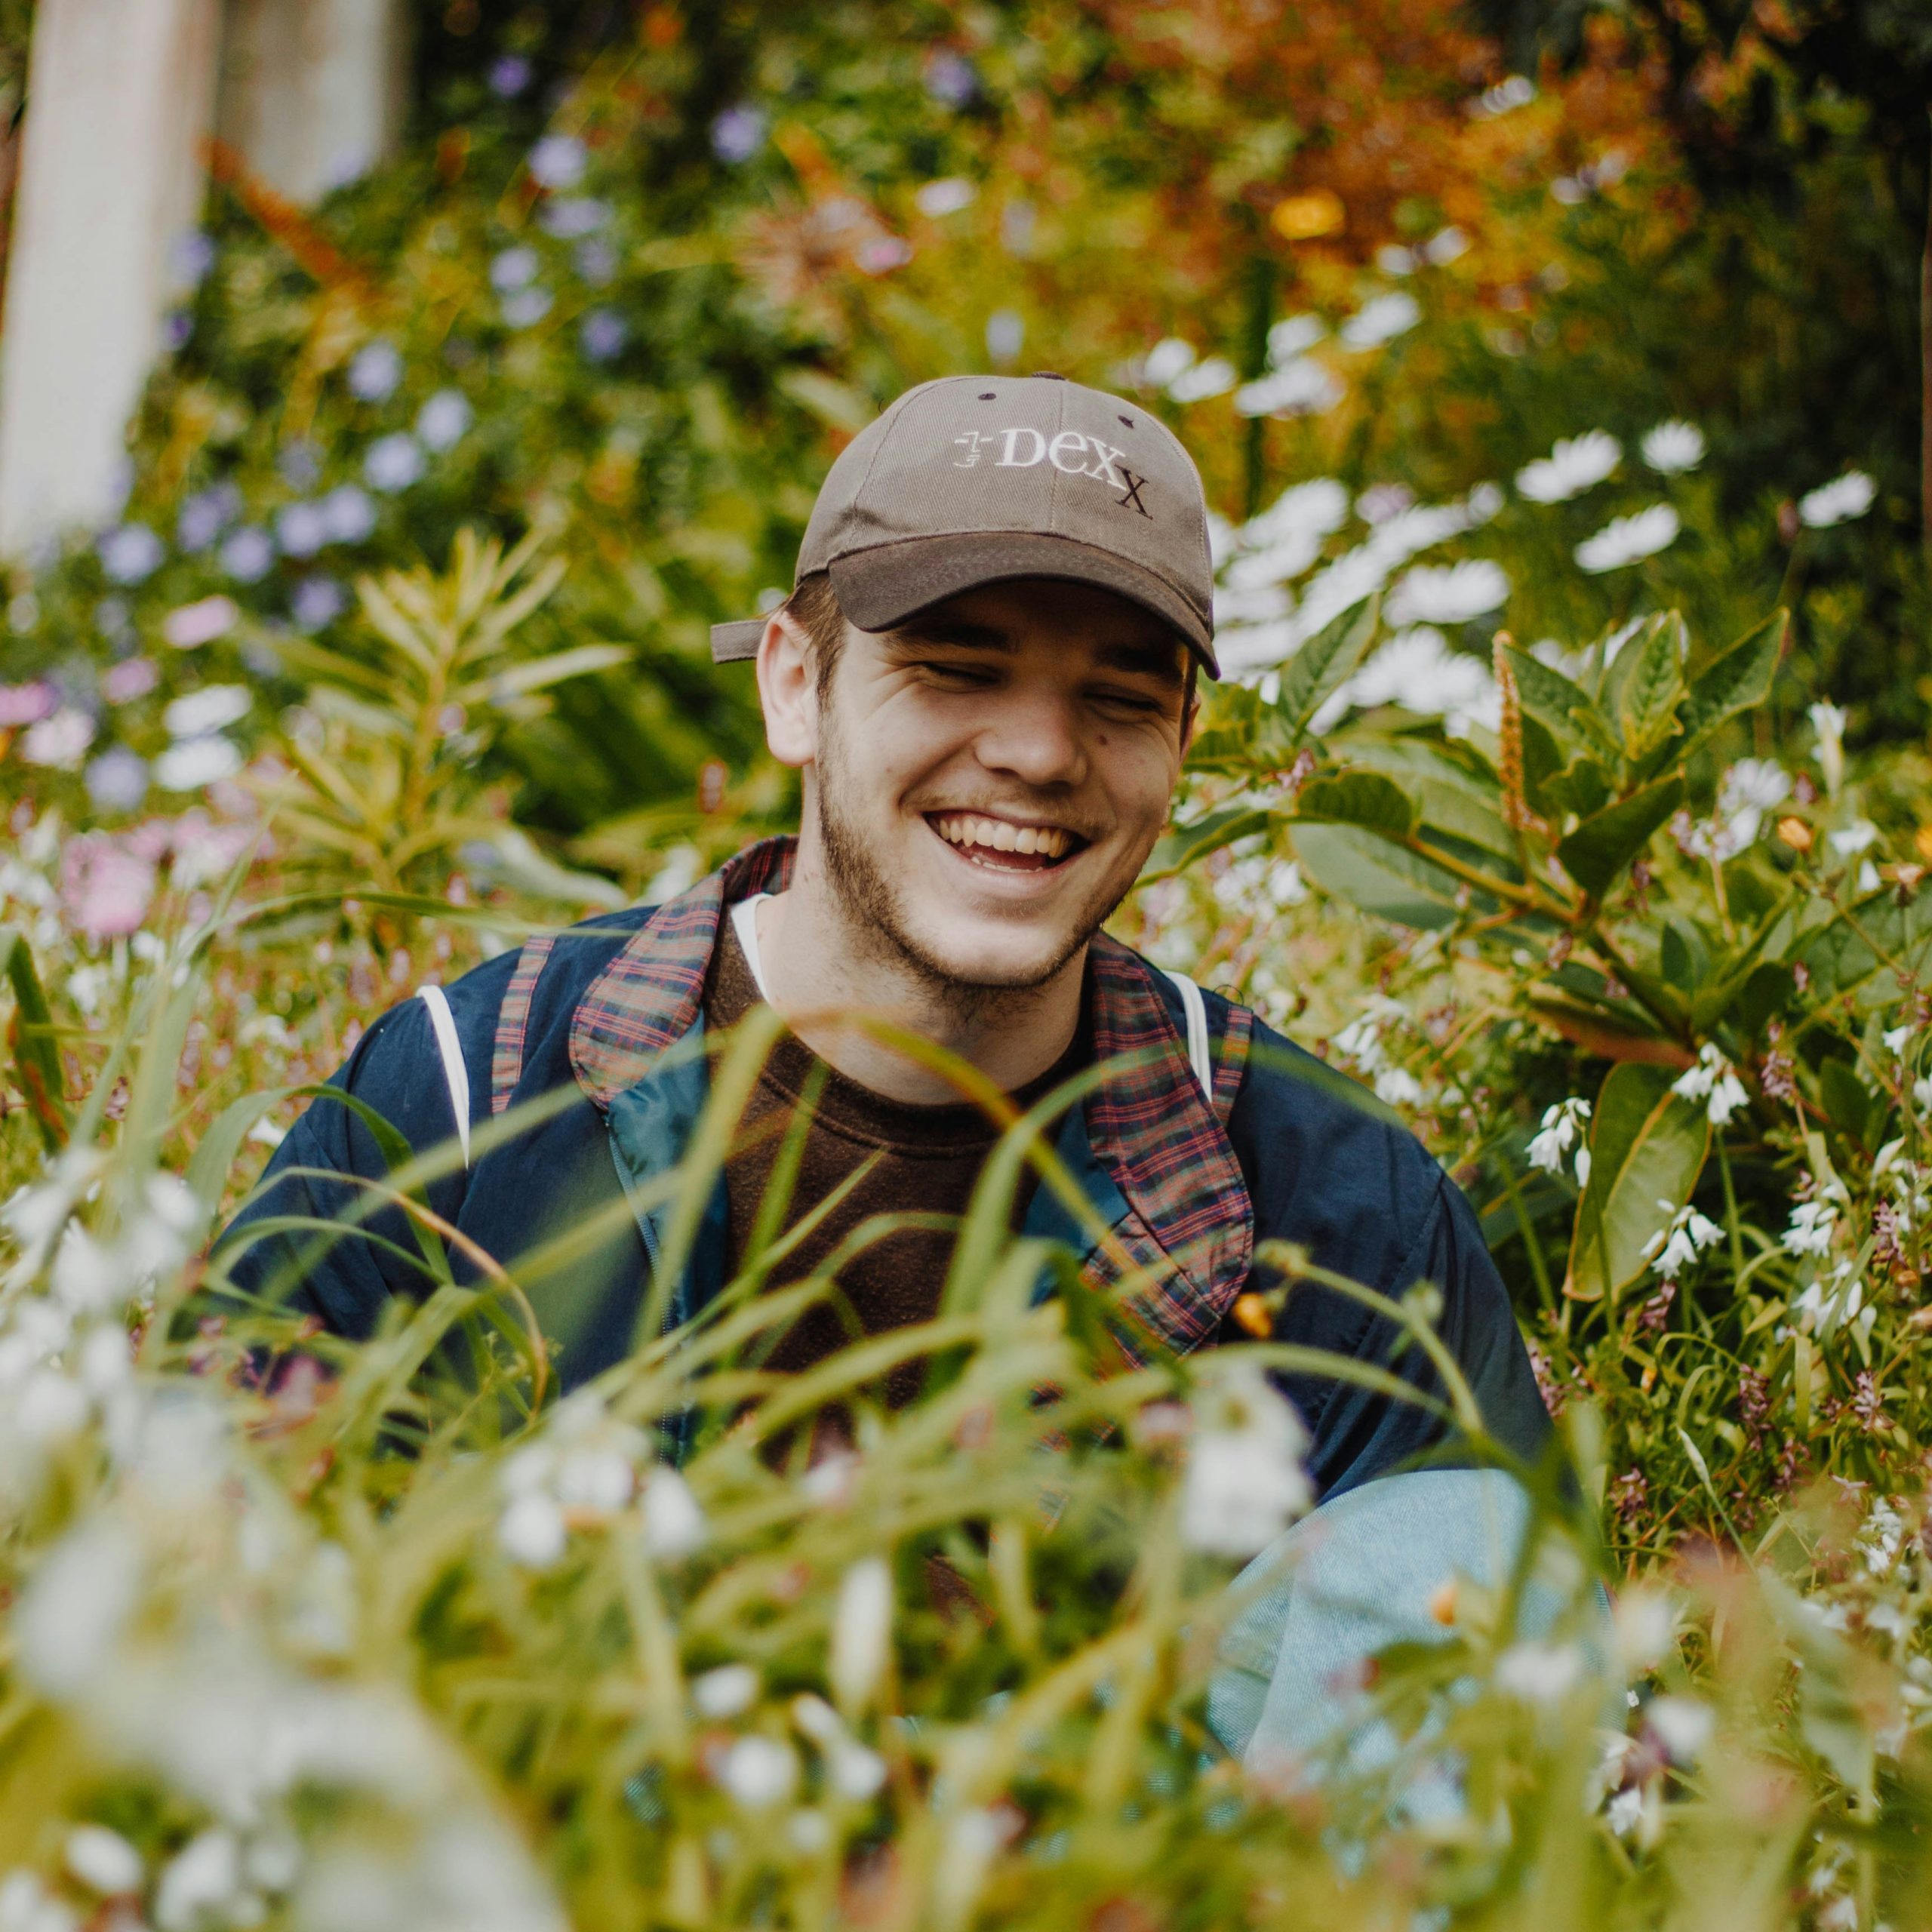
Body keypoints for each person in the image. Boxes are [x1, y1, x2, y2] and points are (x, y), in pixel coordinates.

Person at [218, 372, 1559, 1765]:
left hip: (1130, 1896)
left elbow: (1502, 1677)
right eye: (959, 667)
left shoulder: (1323, 1190)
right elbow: (199, 1572)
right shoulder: (472, 1094)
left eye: (1118, 696)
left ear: (1181, 751)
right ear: (796, 684)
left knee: (1470, 1542)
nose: (1041, 752)